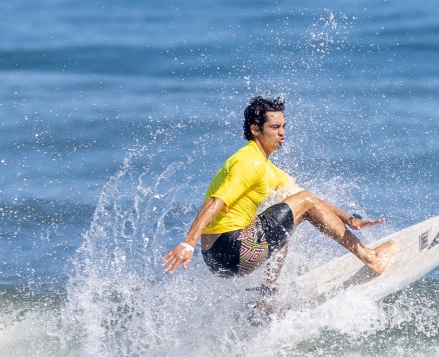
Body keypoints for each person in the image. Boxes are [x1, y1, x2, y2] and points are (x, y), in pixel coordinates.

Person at [162, 96, 395, 294]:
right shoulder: (249, 162)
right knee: (294, 208)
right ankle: (370, 258)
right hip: (232, 250)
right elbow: (215, 203)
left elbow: (311, 200)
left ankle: (266, 298)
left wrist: (350, 220)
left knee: (283, 223)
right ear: (255, 130)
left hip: (218, 259)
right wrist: (187, 243)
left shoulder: (267, 168)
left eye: (283, 127)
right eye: (275, 128)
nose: (282, 133)